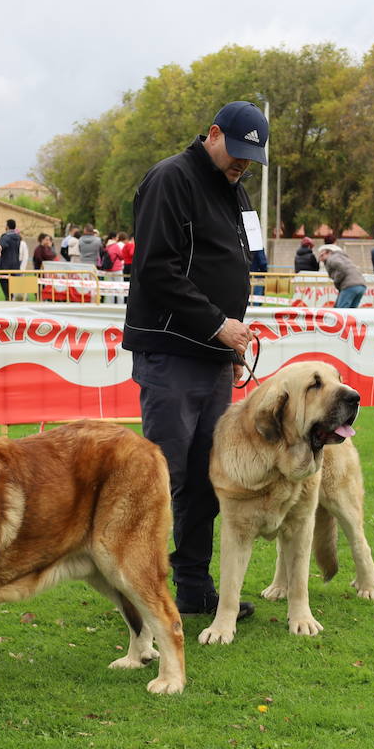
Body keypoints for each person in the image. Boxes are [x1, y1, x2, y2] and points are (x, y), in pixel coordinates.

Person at [122, 100, 267, 621]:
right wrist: (216, 324)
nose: (243, 163)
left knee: (207, 472)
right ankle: (145, 588)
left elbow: (241, 266)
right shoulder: (170, 179)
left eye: (253, 157)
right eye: (238, 151)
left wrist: (231, 344)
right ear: (213, 134)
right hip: (171, 352)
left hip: (213, 354)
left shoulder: (236, 190)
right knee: (164, 474)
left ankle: (193, 585)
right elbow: (157, 269)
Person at [316, 243, 367, 308]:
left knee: (341, 311)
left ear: (328, 252)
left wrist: (336, 281)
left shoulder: (331, 259)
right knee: (352, 311)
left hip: (350, 286)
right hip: (361, 286)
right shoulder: (342, 257)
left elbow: (341, 267)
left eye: (322, 255)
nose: (320, 259)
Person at [0, 219, 23, 299]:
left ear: (7, 226)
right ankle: (12, 298)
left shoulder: (6, 238)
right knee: (13, 285)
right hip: (15, 265)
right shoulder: (18, 237)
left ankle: (8, 298)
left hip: (5, 266)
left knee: (4, 283)